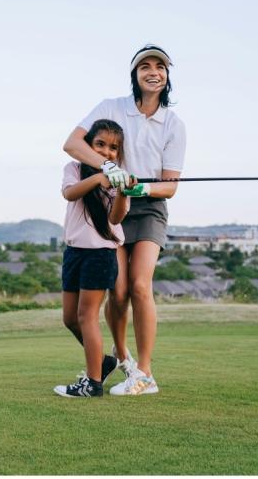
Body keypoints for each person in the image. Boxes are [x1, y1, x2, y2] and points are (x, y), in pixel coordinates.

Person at [62, 44, 186, 396]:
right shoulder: (110, 106)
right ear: (134, 74)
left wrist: (137, 187)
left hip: (147, 208)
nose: (153, 72)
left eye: (160, 67)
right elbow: (72, 144)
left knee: (139, 286)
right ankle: (120, 355)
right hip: (108, 206)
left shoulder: (174, 125)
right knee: (116, 292)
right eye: (145, 66)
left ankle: (144, 373)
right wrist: (110, 169)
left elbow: (169, 187)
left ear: (167, 76)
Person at [53, 119, 137, 398]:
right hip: (74, 253)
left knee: (86, 316)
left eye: (114, 148)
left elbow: (115, 218)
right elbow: (69, 194)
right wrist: (99, 177)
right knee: (70, 318)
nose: (107, 151)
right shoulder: (74, 169)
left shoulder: (117, 180)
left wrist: (123, 192)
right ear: (88, 145)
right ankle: (102, 363)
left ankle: (92, 382)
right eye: (100, 144)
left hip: (100, 255)